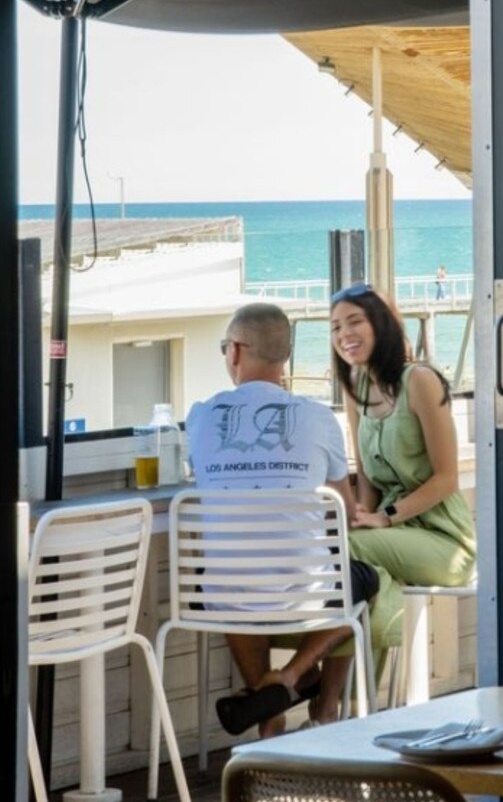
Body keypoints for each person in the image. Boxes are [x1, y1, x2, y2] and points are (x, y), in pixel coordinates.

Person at [185, 302, 378, 738]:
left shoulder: (199, 417)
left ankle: (265, 709)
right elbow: (344, 514)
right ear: (286, 356)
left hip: (222, 597)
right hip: (303, 593)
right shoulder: (318, 417)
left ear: (235, 350)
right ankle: (290, 678)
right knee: (363, 580)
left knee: (234, 575)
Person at [311, 281, 476, 724]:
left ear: (380, 324)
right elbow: (365, 472)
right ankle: (351, 711)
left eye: (354, 321)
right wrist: (362, 514)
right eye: (334, 327)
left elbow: (446, 479)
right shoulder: (355, 386)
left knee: (351, 551)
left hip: (444, 540)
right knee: (367, 576)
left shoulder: (418, 380)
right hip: (393, 533)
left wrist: (385, 518)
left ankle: (316, 688)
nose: (343, 334)